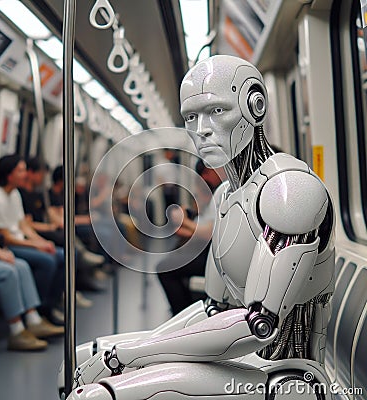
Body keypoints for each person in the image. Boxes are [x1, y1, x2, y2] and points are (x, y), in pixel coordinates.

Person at [62, 55, 335, 400]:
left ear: (255, 105)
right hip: (243, 362)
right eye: (191, 117)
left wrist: (129, 356)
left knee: (95, 395)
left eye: (217, 111)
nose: (201, 129)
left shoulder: (289, 191)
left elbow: (256, 326)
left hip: (288, 377)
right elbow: (213, 308)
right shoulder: (225, 196)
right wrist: (142, 347)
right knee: (76, 362)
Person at [0, 162, 63, 351]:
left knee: (21, 266)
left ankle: (34, 318)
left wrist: (38, 242)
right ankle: (16, 330)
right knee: (8, 271)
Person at [19, 157, 106, 295]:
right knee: (68, 242)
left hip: (44, 228)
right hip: (36, 231)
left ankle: (75, 284)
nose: (43, 178)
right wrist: (47, 229)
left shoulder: (39, 195)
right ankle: (68, 289)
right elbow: (28, 223)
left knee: (73, 238)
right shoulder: (28, 195)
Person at [157, 160, 223, 315]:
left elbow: (209, 231)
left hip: (214, 254)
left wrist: (184, 222)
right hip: (209, 245)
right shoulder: (213, 190)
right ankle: (185, 310)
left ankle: (183, 314)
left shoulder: (223, 190)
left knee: (165, 268)